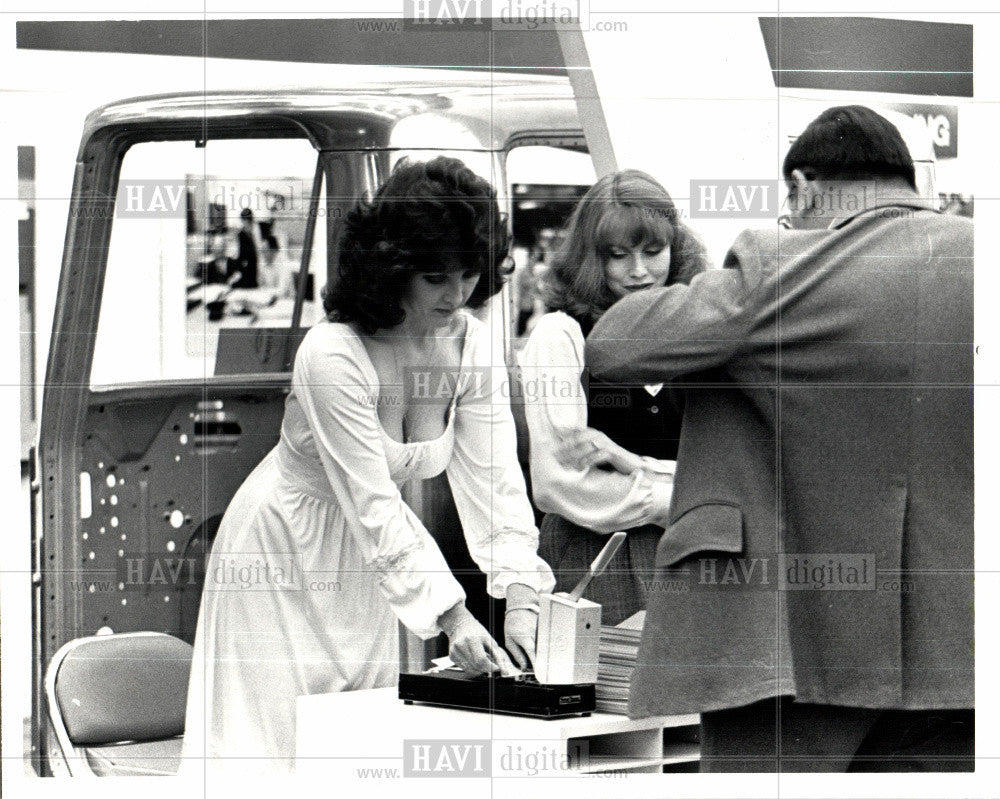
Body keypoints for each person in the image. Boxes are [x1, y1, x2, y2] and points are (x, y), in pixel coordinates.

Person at [585, 106, 973, 771]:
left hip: (790, 653)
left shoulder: (784, 269)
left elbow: (614, 348)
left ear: (804, 185)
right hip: (963, 654)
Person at [182, 157, 555, 774]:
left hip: (379, 564)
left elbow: (497, 487)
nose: (457, 293)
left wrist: (519, 594)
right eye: (436, 276)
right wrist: (453, 614)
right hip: (282, 552)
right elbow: (374, 504)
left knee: (358, 755)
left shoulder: (472, 344)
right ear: (392, 266)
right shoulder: (332, 353)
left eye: (468, 273)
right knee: (269, 755)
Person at [518, 170, 709, 624]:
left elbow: (731, 466)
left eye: (653, 251)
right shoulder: (561, 335)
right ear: (590, 259)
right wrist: (681, 498)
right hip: (596, 558)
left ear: (675, 248)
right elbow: (559, 484)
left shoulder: (700, 336)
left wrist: (626, 461)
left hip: (696, 555)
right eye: (618, 256)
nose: (639, 271)